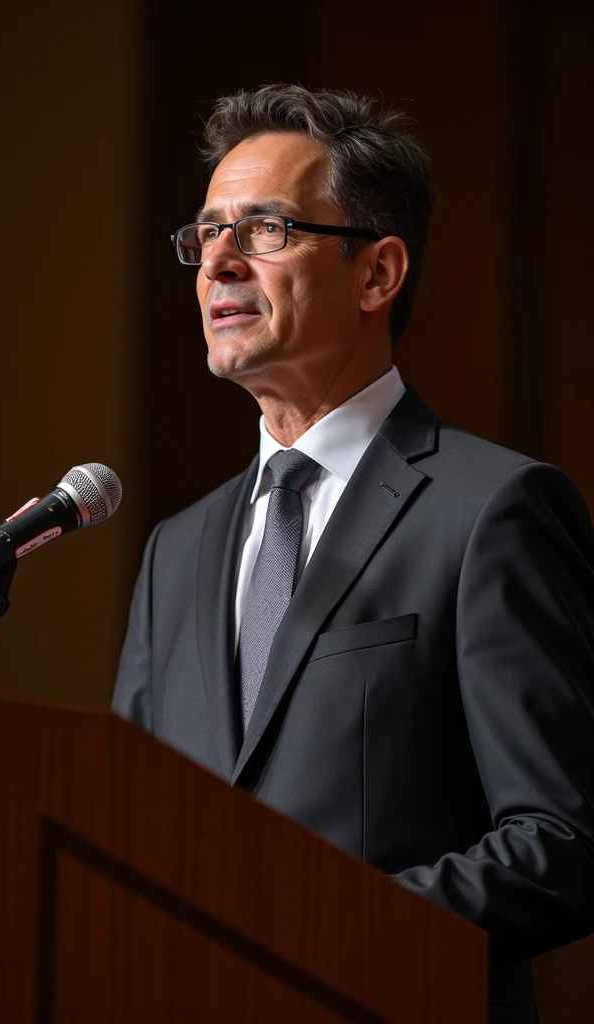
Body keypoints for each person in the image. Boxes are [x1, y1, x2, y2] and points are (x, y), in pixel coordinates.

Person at [113, 84, 594, 1022]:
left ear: (377, 275)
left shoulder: (492, 508)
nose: (217, 261)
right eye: (206, 233)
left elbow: (563, 842)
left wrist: (313, 928)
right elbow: (127, 839)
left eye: (264, 230)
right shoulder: (177, 551)